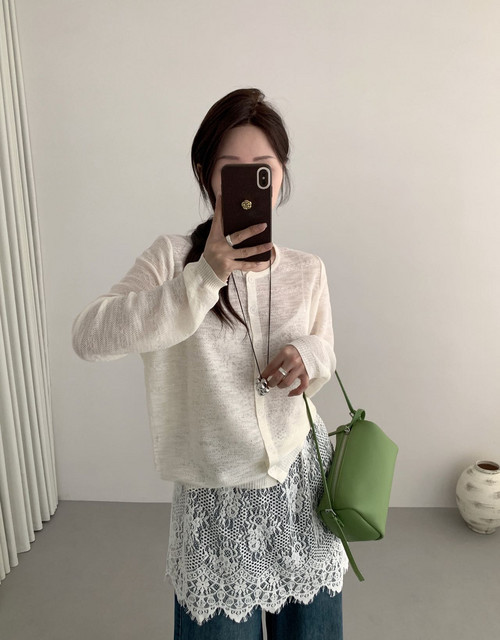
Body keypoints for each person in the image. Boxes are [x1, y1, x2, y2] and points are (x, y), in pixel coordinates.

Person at [72, 88, 348, 639]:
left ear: (282, 174)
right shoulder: (172, 258)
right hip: (216, 512)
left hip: (303, 496)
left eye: (264, 169)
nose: (251, 183)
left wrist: (308, 356)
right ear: (206, 175)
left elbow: (325, 353)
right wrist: (203, 278)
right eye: (232, 170)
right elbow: (90, 336)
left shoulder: (307, 269)